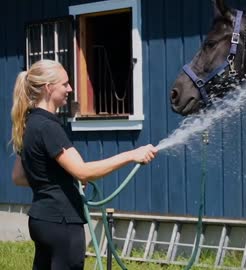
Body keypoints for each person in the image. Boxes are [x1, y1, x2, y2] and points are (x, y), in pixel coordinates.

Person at [10, 59, 158, 270]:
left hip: (40, 221)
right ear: (48, 88)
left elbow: (18, 176)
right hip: (62, 222)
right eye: (65, 84)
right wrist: (132, 154)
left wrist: (60, 179)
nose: (70, 89)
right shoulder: (49, 127)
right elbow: (83, 172)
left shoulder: (29, 124)